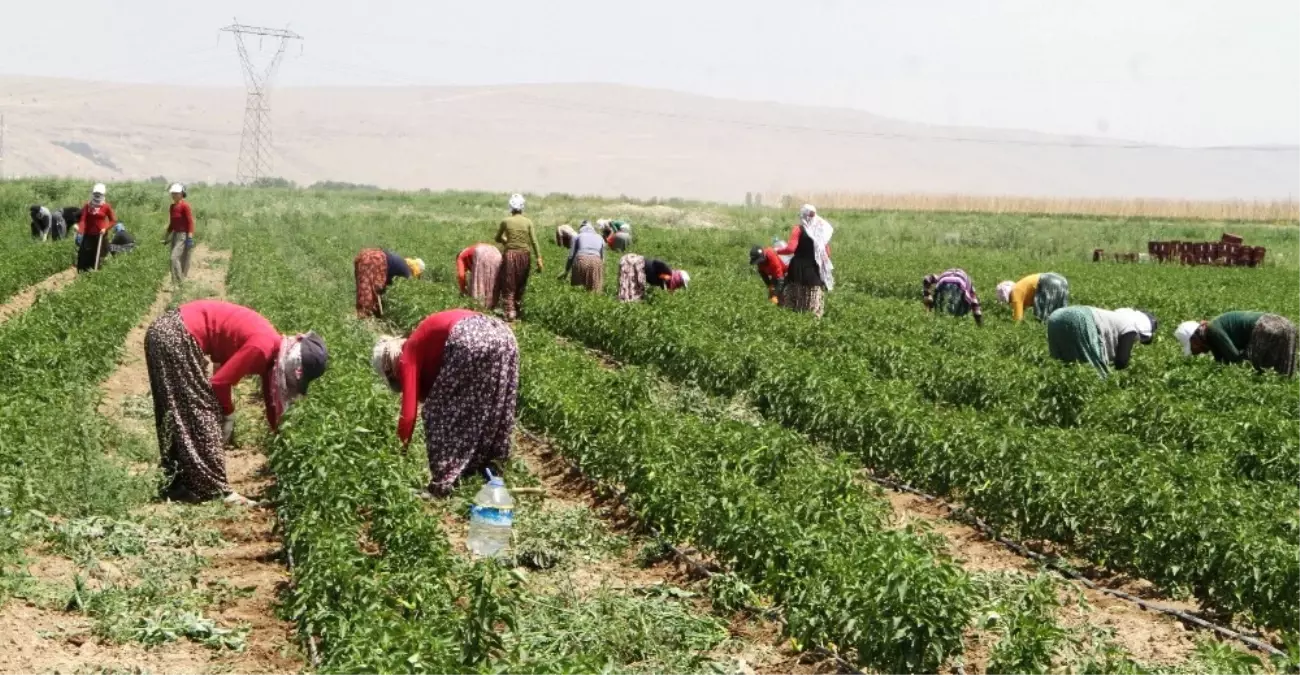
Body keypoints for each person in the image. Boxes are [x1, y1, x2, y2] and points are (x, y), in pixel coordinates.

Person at [145, 300, 328, 503]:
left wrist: (282, 437)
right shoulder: (262, 347)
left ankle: (178, 484)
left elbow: (271, 401)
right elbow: (220, 383)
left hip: (166, 331)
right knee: (201, 409)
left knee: (175, 411)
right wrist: (228, 413)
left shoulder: (272, 349)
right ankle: (216, 491)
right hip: (176, 335)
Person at [371, 310, 519, 497]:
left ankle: (444, 481)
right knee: (488, 406)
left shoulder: (407, 353)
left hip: (471, 337)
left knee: (436, 412)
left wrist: (398, 452)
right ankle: (487, 470)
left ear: (389, 363)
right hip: (503, 334)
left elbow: (408, 416)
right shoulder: (420, 342)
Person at [1174, 311, 1297, 377]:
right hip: (1286, 325)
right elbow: (1221, 361)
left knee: (1259, 370)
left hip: (1266, 328)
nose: (1199, 352)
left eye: (1195, 349)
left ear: (1195, 340)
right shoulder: (1213, 329)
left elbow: (1235, 358)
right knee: (1283, 374)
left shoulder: (1213, 330)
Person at [1047, 306, 1156, 379]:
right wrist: (1119, 378)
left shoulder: (1114, 317)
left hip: (1056, 316)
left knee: (1061, 364)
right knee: (1095, 374)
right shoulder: (1130, 328)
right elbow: (1122, 361)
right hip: (1081, 318)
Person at [775, 204, 834, 318]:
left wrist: (776, 251)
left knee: (794, 300)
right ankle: (813, 326)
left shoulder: (798, 229)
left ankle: (794, 321)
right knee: (813, 301)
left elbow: (791, 249)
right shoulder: (821, 230)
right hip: (814, 269)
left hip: (798, 269)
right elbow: (827, 253)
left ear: (802, 215)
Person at [493, 194, 542, 321]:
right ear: (522, 207)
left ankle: (510, 312)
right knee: (521, 283)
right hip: (525, 255)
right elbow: (534, 241)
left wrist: (506, 241)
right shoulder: (528, 222)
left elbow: (497, 238)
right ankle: (518, 310)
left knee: (509, 283)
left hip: (510, 255)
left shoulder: (506, 221)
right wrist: (539, 259)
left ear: (511, 208)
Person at [354, 248, 424, 318]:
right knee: (368, 290)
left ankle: (364, 315)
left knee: (363, 287)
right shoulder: (406, 272)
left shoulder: (402, 263)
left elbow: (387, 284)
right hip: (374, 261)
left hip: (366, 256)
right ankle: (364, 316)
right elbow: (407, 290)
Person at [996, 273, 1070, 322]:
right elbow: (1022, 310)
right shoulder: (1020, 287)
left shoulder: (1015, 292)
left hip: (1047, 282)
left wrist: (1014, 327)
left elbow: (1018, 318)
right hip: (1060, 280)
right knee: (1060, 313)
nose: (1010, 303)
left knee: (1043, 318)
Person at [76, 184, 116, 272]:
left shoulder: (106, 206)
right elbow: (83, 219)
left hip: (101, 235)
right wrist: (80, 231)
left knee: (99, 256)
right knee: (84, 255)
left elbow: (113, 220)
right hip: (88, 235)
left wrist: (105, 228)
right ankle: (83, 274)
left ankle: (97, 274)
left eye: (99, 194)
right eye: (96, 194)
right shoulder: (87, 205)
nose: (97, 196)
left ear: (103, 195)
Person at [165, 183, 195, 284]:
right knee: (173, 260)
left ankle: (181, 281)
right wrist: (166, 236)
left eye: (176, 193)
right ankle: (174, 283)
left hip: (183, 235)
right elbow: (172, 223)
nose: (173, 195)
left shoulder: (185, 206)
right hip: (175, 235)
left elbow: (190, 222)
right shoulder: (172, 207)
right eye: (172, 193)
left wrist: (190, 237)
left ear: (181, 194)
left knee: (174, 257)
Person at [563, 221, 606, 292]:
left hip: (581, 260)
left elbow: (571, 256)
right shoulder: (600, 237)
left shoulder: (578, 236)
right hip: (596, 262)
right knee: (594, 290)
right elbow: (602, 257)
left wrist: (566, 271)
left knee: (578, 289)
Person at [457, 242, 502, 308]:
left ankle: (479, 305)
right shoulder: (470, 250)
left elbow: (461, 275)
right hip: (496, 251)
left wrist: (463, 290)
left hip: (480, 252)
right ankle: (494, 304)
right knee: (493, 278)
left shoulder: (460, 257)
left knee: (479, 280)